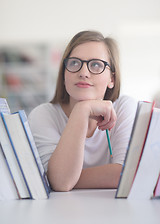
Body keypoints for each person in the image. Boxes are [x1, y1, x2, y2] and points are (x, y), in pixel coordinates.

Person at [28, 30, 137, 192]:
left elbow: (125, 174)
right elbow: (62, 183)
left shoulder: (124, 108)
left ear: (111, 79)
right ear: (64, 74)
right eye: (74, 63)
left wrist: (59, 177)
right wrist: (82, 110)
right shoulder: (43, 115)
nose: (83, 73)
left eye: (96, 65)